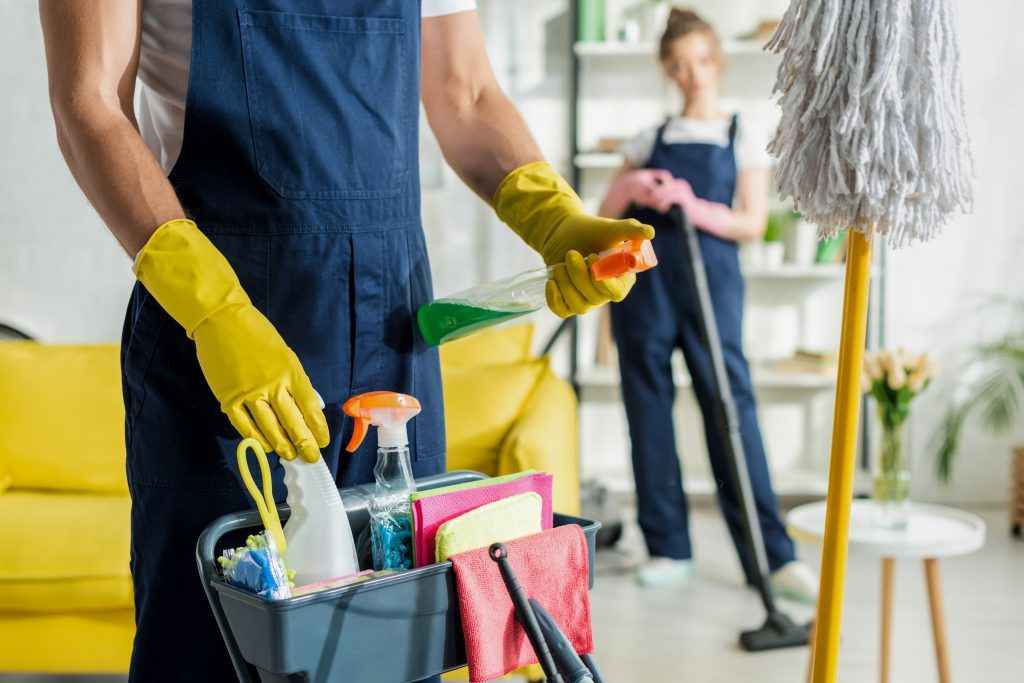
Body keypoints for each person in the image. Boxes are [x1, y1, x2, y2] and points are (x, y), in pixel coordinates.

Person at [39, 2, 653, 680]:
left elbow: (467, 91)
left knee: (395, 638)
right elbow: (88, 104)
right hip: (217, 339)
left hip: (389, 334)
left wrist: (553, 215)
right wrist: (214, 310)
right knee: (211, 644)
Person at [599, 8, 817, 600]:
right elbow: (605, 212)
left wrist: (691, 205)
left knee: (729, 407)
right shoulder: (649, 138)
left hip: (710, 285)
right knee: (648, 413)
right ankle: (668, 547)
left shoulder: (741, 134)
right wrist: (636, 188)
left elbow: (750, 222)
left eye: (699, 61)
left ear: (716, 61)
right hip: (646, 293)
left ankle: (772, 559)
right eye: (678, 65)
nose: (691, 74)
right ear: (667, 71)